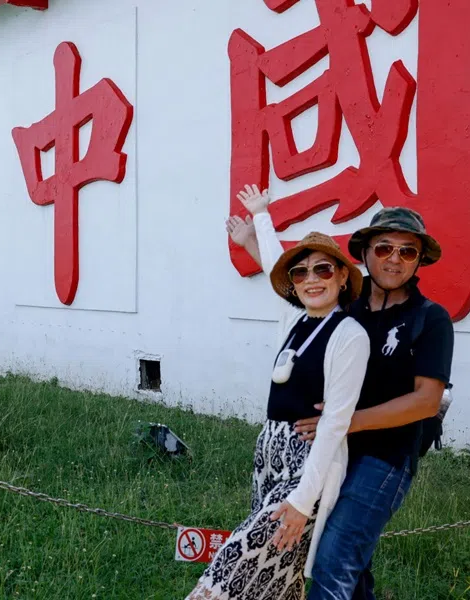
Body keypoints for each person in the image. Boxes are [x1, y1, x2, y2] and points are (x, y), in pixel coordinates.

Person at [242, 186, 455, 600]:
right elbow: (299, 280)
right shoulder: (348, 309)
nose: (394, 258)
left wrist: (344, 422)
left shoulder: (430, 319)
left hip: (385, 458)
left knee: (333, 560)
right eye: (384, 248)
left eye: (407, 251)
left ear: (419, 260)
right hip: (333, 452)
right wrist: (253, 235)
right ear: (364, 255)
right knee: (347, 561)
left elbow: (427, 400)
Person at [185, 185, 370, 600]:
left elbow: (336, 423)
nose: (311, 280)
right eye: (302, 273)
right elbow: (274, 265)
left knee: (236, 563)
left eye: (323, 270)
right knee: (277, 576)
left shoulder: (349, 335)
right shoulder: (296, 320)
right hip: (269, 451)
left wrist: (304, 501)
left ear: (342, 277)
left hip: (306, 463)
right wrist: (261, 217)